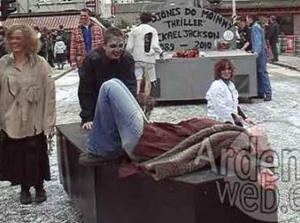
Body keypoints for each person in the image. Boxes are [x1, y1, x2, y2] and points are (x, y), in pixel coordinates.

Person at [80, 78, 277, 190]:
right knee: (114, 85)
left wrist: (257, 170)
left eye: (262, 138)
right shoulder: (228, 129)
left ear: (254, 145)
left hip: (144, 141)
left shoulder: (234, 139)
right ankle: (105, 145)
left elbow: (234, 157)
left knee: (110, 87)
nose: (261, 131)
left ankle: (100, 149)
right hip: (149, 134)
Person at [0, 24, 56, 205]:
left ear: (28, 40)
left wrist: (49, 122)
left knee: (35, 153)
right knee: (17, 155)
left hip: (35, 119)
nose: (15, 41)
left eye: (19, 38)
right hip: (12, 120)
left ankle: (39, 186)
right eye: (12, 38)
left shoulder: (40, 63)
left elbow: (50, 94)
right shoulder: (3, 64)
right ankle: (24, 187)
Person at [78, 27, 137, 130]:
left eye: (120, 46)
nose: (117, 50)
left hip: (119, 105)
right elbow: (85, 91)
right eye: (113, 46)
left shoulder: (127, 59)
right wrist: (88, 118)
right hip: (97, 103)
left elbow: (130, 88)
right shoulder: (92, 59)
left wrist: (131, 114)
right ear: (104, 46)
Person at [206, 59, 255, 126]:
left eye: (229, 69)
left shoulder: (230, 85)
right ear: (219, 72)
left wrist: (245, 118)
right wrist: (235, 117)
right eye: (223, 70)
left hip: (232, 120)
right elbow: (221, 108)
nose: (227, 72)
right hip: (219, 121)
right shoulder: (216, 86)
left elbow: (234, 105)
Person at [127, 12, 162, 96]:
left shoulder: (134, 30)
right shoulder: (152, 30)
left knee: (138, 80)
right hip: (149, 58)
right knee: (148, 80)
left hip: (137, 58)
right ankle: (146, 101)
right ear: (150, 20)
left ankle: (136, 98)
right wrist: (161, 52)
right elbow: (154, 45)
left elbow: (129, 47)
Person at [70, 8, 105, 73]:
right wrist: (73, 61)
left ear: (89, 17)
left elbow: (102, 45)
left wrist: (104, 58)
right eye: (81, 16)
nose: (83, 17)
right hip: (82, 61)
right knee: (84, 81)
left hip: (96, 59)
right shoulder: (75, 30)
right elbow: (73, 47)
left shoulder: (97, 29)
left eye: (85, 16)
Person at [246, 15, 272, 101]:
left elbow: (257, 41)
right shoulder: (256, 26)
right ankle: (261, 92)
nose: (246, 21)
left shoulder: (255, 28)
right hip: (260, 51)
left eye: (247, 19)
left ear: (250, 19)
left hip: (260, 53)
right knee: (259, 72)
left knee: (262, 72)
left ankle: (268, 93)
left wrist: (256, 51)